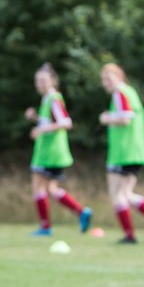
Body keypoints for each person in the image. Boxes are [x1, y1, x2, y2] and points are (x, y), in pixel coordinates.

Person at [97, 63, 144, 244]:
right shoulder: (128, 92)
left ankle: (130, 235)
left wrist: (107, 118)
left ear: (119, 77)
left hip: (124, 152)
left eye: (109, 78)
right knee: (126, 194)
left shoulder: (120, 93)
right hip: (132, 151)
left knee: (117, 194)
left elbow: (126, 118)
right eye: (103, 79)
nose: (105, 82)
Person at [23, 63, 92, 236]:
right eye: (37, 80)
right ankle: (81, 212)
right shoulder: (47, 99)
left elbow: (65, 122)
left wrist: (41, 129)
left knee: (38, 187)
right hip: (50, 152)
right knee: (51, 189)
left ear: (53, 81)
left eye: (43, 80)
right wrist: (36, 119)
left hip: (50, 153)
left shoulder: (54, 99)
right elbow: (50, 122)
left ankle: (46, 227)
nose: (39, 83)